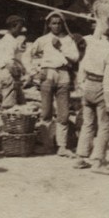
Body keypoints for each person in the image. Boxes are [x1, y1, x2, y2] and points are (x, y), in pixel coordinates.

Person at [74, 25, 109, 175]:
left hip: (88, 85)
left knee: (88, 124)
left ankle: (80, 157)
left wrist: (82, 85)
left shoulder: (93, 46)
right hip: (101, 87)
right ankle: (98, 161)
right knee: (105, 126)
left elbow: (82, 66)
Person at [32, 11, 79, 156]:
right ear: (48, 25)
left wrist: (60, 47)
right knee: (46, 112)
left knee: (63, 112)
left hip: (63, 73)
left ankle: (62, 146)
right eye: (53, 23)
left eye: (59, 23)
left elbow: (75, 57)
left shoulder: (68, 40)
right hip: (47, 74)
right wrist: (35, 71)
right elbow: (29, 55)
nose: (56, 26)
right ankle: (46, 144)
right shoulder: (42, 40)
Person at [0, 15, 27, 108]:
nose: (21, 29)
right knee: (9, 102)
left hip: (7, 74)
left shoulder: (7, 40)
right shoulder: (9, 41)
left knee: (20, 101)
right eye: (19, 27)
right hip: (9, 75)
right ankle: (8, 119)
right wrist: (17, 75)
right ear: (13, 26)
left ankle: (20, 119)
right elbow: (9, 63)